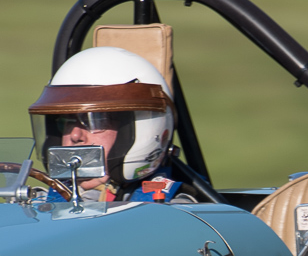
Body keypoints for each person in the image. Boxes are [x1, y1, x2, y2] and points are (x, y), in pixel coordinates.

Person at [28, 46, 199, 205]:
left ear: (143, 131)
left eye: (96, 122)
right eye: (66, 122)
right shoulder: (39, 205)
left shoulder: (174, 213)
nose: (75, 135)